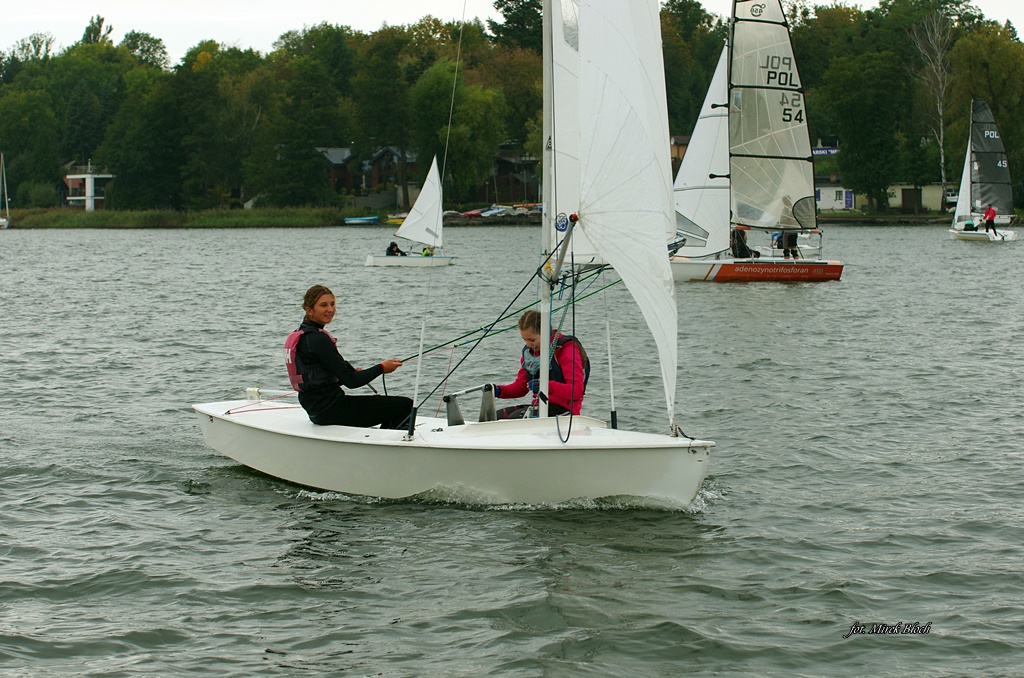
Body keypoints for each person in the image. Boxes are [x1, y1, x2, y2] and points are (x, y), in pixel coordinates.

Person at [285, 284, 412, 429]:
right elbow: (352, 382)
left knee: (387, 405)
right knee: (405, 404)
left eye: (332, 304)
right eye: (323, 305)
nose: (330, 309)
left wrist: (351, 374)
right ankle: (389, 441)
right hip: (332, 409)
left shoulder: (303, 336)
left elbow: (321, 378)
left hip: (316, 409)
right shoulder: (317, 339)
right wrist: (382, 368)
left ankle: (383, 437)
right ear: (309, 310)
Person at [492, 310, 589, 419]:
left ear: (545, 332)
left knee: (515, 418)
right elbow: (521, 388)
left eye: (532, 340)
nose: (528, 344)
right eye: (525, 340)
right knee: (495, 417)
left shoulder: (567, 350)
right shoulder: (530, 354)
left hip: (564, 411)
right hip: (540, 406)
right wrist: (498, 391)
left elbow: (576, 391)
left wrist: (545, 386)